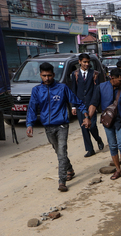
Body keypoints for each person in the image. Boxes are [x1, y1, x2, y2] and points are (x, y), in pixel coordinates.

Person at [26, 62, 91, 192]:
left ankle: (62, 181)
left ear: (53, 75)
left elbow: (77, 101)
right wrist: (29, 124)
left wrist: (86, 115)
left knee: (61, 152)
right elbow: (32, 108)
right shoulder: (36, 90)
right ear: (40, 75)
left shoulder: (62, 88)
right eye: (44, 76)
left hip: (62, 125)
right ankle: (70, 169)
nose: (47, 78)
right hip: (48, 127)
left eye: (49, 75)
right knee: (58, 151)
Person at [87, 68, 121, 183]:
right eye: (120, 80)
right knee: (113, 145)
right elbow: (93, 104)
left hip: (120, 121)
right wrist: (88, 118)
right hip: (107, 122)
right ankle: (117, 170)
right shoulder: (100, 88)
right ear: (112, 78)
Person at [70, 53, 105, 157]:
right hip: (80, 105)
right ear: (80, 62)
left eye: (88, 62)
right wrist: (73, 106)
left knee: (92, 125)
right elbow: (74, 90)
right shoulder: (75, 74)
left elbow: (96, 89)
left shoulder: (94, 74)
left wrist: (96, 104)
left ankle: (98, 139)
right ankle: (90, 149)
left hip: (91, 104)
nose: (86, 64)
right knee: (84, 127)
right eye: (84, 62)